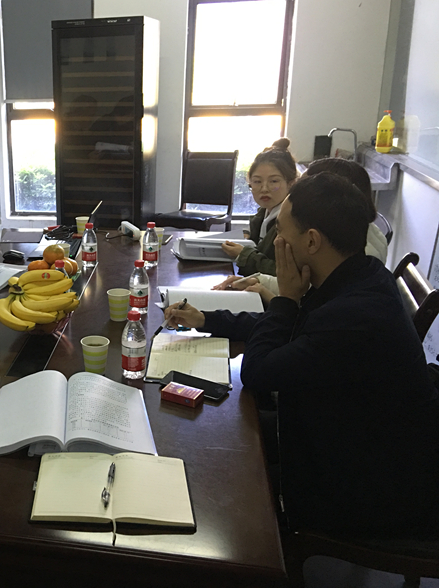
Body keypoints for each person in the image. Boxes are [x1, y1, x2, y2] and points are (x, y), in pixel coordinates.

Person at [165, 172, 439, 537]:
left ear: (311, 241)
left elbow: (258, 371)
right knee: (208, 435)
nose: (276, 241)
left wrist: (286, 298)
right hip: (347, 439)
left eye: (281, 231)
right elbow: (293, 329)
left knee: (213, 466)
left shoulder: (356, 315)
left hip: (369, 489)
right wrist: (207, 319)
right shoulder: (358, 274)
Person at [214, 158, 388, 302]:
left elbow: (303, 306)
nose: (277, 239)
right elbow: (303, 287)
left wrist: (280, 299)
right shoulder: (349, 245)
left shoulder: (353, 267)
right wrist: (258, 281)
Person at [220, 138, 298, 276]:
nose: (264, 188)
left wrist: (244, 254)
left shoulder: (293, 221)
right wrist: (249, 237)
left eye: (274, 181)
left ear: (291, 183)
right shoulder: (265, 212)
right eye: (257, 181)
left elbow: (287, 273)